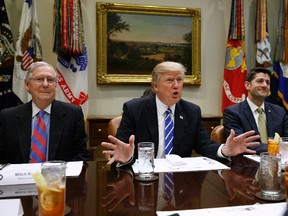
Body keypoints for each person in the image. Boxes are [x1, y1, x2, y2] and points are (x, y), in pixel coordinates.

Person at [101, 61, 260, 166]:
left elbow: (203, 144)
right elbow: (122, 149)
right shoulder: (134, 109)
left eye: (180, 80)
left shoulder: (192, 111)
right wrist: (128, 157)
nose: (176, 86)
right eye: (170, 81)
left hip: (180, 180)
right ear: (155, 86)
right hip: (143, 178)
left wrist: (224, 150)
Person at [0, 61, 90, 163]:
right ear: (27, 85)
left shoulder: (73, 114)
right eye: (39, 79)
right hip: (19, 177)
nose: (45, 84)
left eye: (50, 80)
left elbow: (81, 154)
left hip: (58, 177)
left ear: (56, 85)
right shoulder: (7, 117)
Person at [223, 67, 288, 154]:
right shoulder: (232, 112)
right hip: (247, 164)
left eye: (267, 82)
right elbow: (240, 144)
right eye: (260, 81)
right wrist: (277, 147)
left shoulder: (279, 112)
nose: (265, 85)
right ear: (247, 85)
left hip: (278, 162)